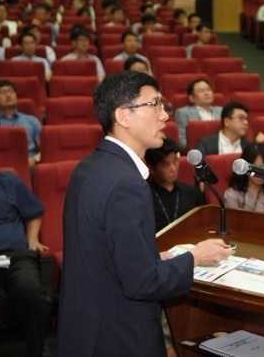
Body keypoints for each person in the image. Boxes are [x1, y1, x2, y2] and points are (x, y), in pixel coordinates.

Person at [56, 71, 234, 356]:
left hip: (86, 329)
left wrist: (155, 257)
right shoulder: (127, 183)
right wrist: (195, 258)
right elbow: (142, 282)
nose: (165, 116)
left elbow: (100, 254)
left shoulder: (88, 167)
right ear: (124, 116)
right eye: (155, 105)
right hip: (119, 337)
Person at [0, 136, 52, 357]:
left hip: (15, 257)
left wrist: (32, 238)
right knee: (31, 303)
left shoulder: (9, 181)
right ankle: (44, 309)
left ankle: (36, 351)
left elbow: (33, 213)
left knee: (30, 292)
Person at [145, 137, 204, 232]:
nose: (173, 169)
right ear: (152, 169)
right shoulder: (145, 197)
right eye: (166, 165)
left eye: (175, 161)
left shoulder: (192, 193)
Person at [0, 79, 41, 168]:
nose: (8, 95)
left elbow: (46, 149)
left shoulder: (32, 121)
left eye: (11, 91)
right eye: (2, 92)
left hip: (29, 165)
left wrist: (35, 159)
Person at [224, 142, 264, 214]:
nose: (262, 174)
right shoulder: (233, 194)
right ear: (245, 167)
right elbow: (231, 222)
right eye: (259, 168)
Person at [196, 101, 264, 156]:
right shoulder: (205, 144)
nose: (246, 122)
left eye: (247, 119)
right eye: (241, 118)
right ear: (227, 122)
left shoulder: (248, 146)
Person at [174, 78, 222, 150]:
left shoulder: (221, 111)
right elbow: (182, 141)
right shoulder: (183, 113)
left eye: (208, 89)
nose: (206, 93)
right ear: (191, 98)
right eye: (201, 91)